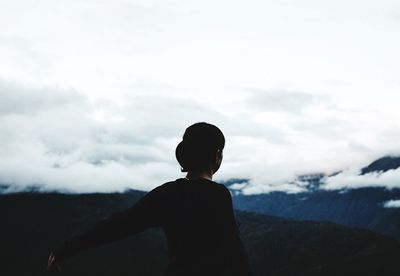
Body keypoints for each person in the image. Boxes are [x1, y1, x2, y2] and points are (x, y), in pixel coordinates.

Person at [47, 122, 252, 276]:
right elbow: (235, 252)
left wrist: (65, 250)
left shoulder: (167, 193)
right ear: (217, 155)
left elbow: (119, 225)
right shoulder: (218, 194)